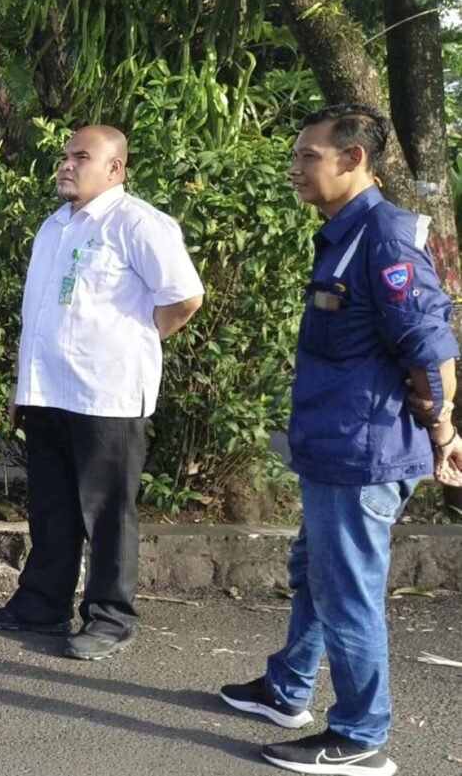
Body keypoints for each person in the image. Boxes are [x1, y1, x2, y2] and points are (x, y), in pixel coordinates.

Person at [220, 105, 461, 776]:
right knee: (314, 573)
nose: (295, 169)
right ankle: (287, 690)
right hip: (336, 445)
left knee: (346, 589)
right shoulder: (346, 232)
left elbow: (430, 344)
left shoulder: (383, 238)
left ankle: (360, 735)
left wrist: (443, 429)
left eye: (308, 157)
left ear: (354, 159)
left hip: (364, 452)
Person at [0, 125, 204, 660]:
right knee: (52, 506)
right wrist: (21, 385)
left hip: (108, 393)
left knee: (107, 511)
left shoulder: (139, 224)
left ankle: (111, 617)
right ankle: (42, 603)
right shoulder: (53, 228)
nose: (67, 165)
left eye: (81, 156)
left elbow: (184, 298)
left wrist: (130, 342)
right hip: (47, 391)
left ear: (115, 169)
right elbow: (37, 316)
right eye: (64, 156)